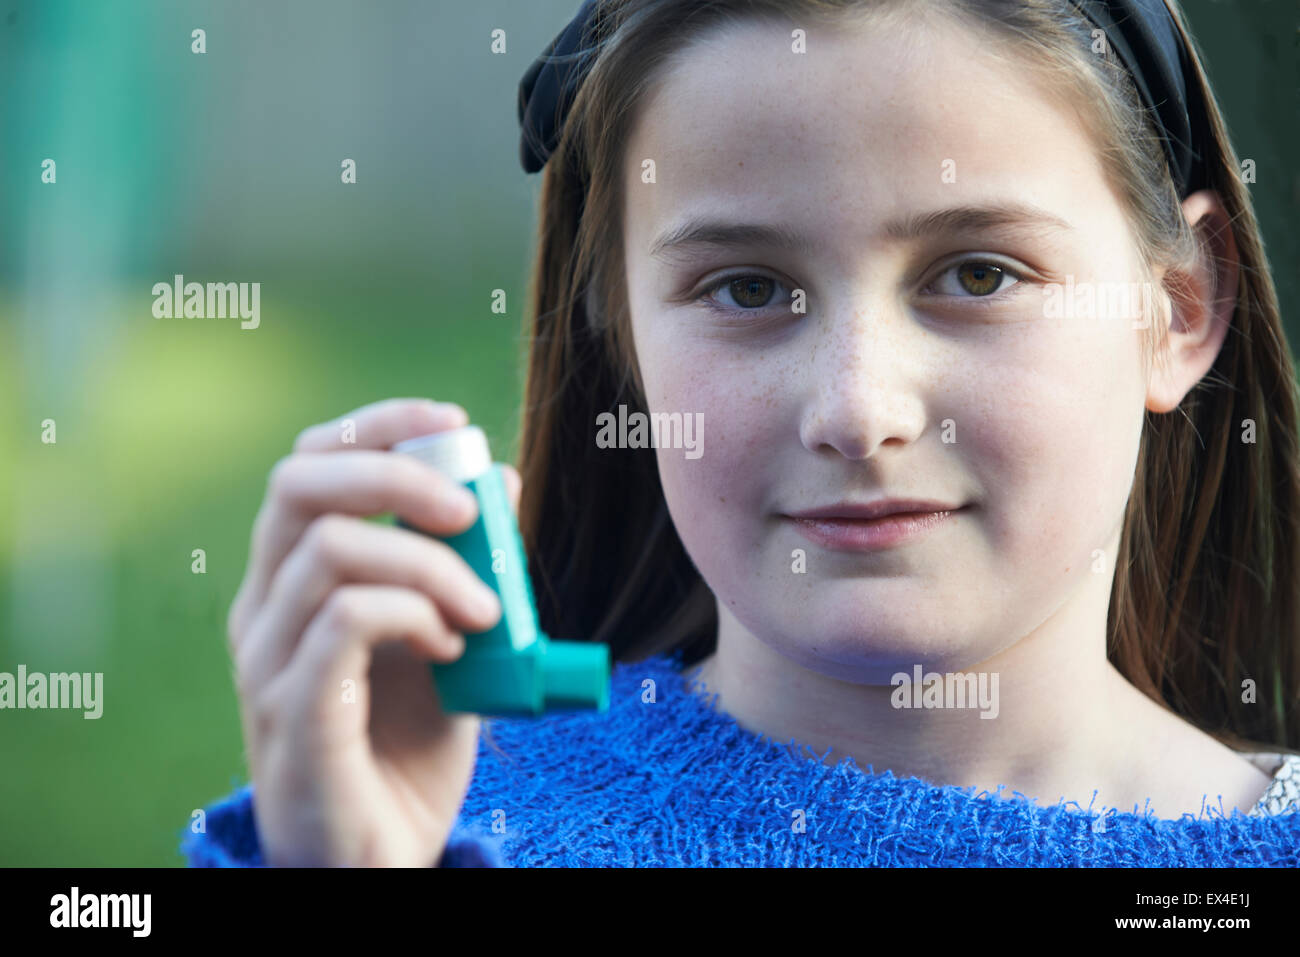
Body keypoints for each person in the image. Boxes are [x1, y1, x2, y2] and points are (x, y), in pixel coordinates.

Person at [181, 0, 1300, 867]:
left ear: (1177, 310)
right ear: (619, 330)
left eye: (977, 273)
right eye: (748, 289)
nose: (858, 411)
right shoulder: (437, 813)